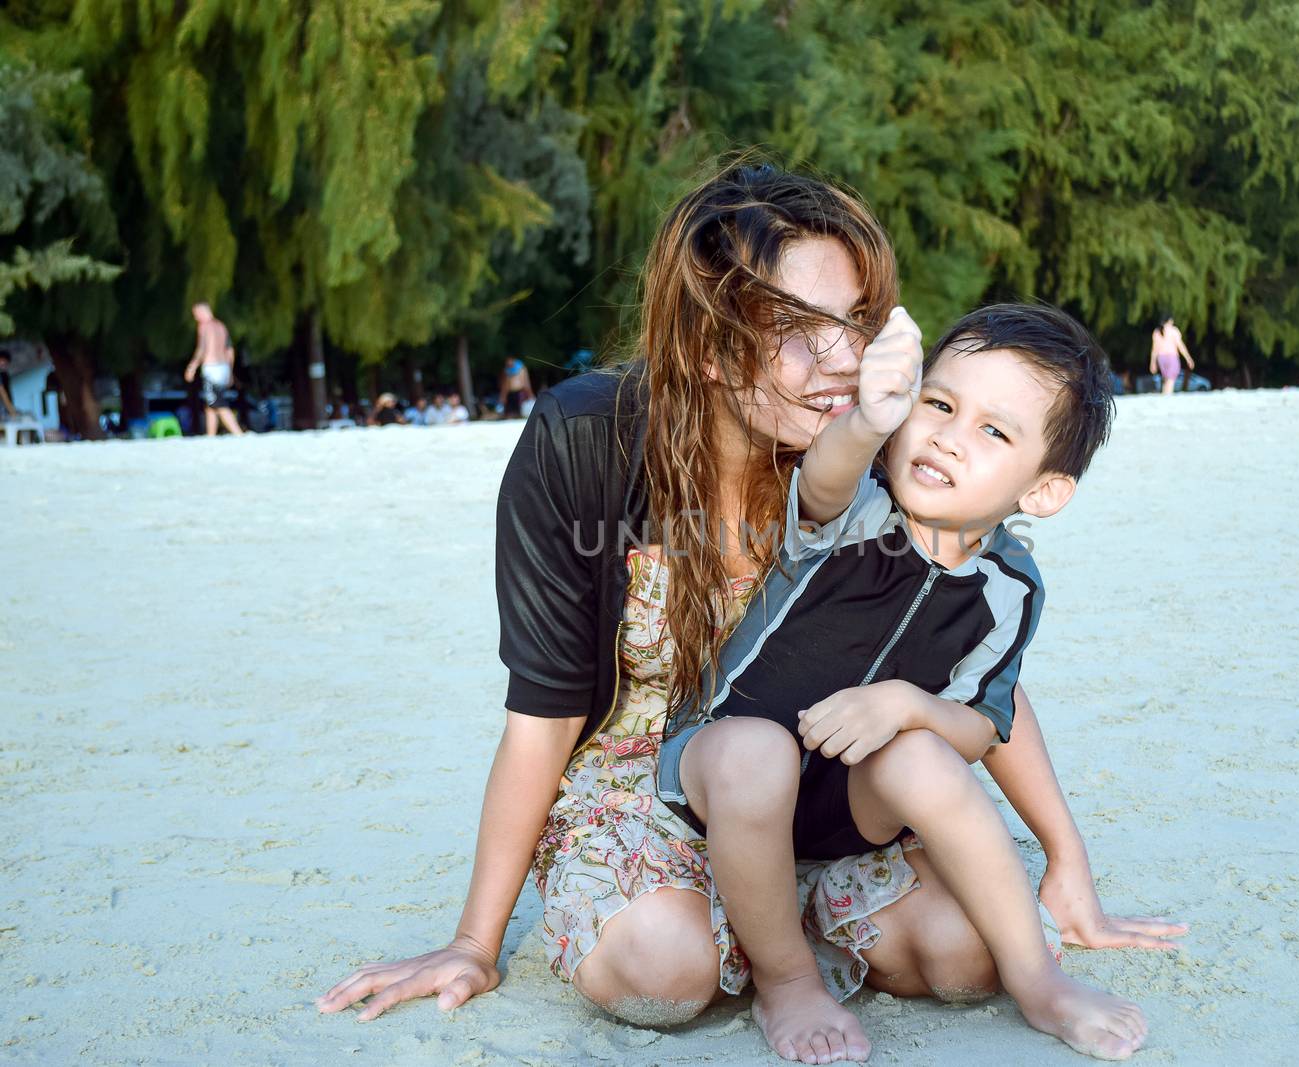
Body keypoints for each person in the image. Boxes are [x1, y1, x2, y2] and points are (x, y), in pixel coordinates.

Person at [316, 160, 1181, 1055]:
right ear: (706, 343)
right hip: (655, 788)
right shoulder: (587, 443)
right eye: (797, 331)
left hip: (834, 789)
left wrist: (1066, 857)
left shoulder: (896, 444)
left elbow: (972, 654)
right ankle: (767, 953)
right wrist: (475, 942)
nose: (842, 360)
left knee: (963, 960)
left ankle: (788, 919)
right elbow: (543, 710)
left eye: (854, 321)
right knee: (663, 970)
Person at [659, 303, 1167, 1060]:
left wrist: (906, 704)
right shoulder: (858, 504)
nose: (948, 438)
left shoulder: (1010, 586)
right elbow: (824, 475)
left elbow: (982, 724)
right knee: (755, 755)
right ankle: (787, 979)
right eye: (939, 404)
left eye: (994, 431)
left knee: (921, 747)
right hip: (719, 775)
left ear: (1044, 492)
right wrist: (868, 416)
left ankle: (1040, 979)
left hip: (848, 810)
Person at [182, 303, 246, 435]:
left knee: (219, 404)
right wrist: (230, 371)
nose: (196, 318)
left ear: (203, 312)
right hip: (223, 368)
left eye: (196, 314)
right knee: (211, 405)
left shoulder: (204, 327)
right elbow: (229, 350)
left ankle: (238, 433)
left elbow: (202, 348)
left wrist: (192, 366)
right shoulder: (221, 326)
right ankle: (211, 436)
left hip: (211, 368)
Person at [1148, 314, 1194, 395]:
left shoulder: (1156, 331)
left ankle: (1164, 394)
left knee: (1166, 380)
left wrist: (1153, 363)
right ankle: (1168, 396)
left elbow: (1154, 349)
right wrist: (1188, 358)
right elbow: (1180, 346)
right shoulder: (1174, 330)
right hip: (1172, 357)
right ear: (1170, 321)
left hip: (1161, 358)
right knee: (1171, 380)